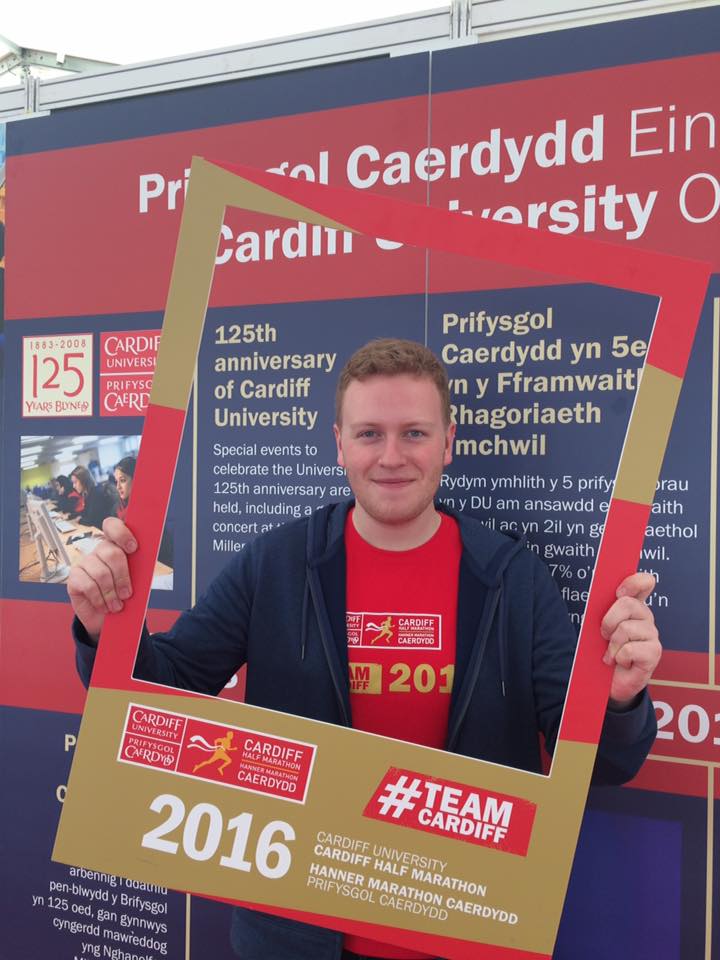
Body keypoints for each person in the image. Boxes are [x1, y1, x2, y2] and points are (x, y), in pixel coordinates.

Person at [68, 339, 661, 960]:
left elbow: (601, 764)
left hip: (469, 933)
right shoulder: (274, 564)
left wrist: (619, 700)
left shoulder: (514, 579)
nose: (391, 457)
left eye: (414, 433)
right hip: (296, 939)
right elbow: (159, 693)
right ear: (340, 443)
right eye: (370, 433)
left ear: (448, 442)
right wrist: (106, 632)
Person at [112, 455, 173, 567]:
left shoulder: (148, 505)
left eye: (123, 480)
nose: (118, 487)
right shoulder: (119, 507)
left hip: (160, 564)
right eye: (116, 481)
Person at [70, 465, 117, 529]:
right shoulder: (87, 494)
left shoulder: (96, 494)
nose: (73, 486)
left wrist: (80, 520)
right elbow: (86, 513)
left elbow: (94, 521)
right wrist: (73, 516)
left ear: (84, 481)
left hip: (104, 530)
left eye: (75, 482)